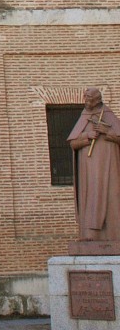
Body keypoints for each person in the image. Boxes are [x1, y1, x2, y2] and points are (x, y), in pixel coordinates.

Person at [68, 87, 120, 242]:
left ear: (98, 100)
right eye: (85, 99)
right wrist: (86, 136)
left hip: (109, 168)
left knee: (112, 197)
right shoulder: (84, 115)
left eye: (89, 99)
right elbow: (73, 144)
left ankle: (114, 235)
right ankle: (89, 236)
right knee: (90, 199)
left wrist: (107, 131)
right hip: (88, 171)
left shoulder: (108, 115)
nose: (86, 102)